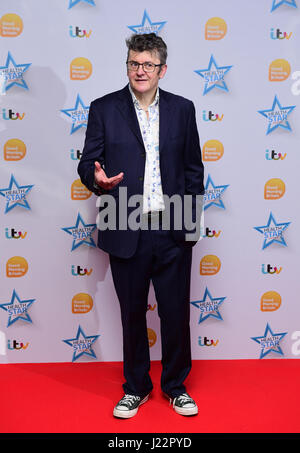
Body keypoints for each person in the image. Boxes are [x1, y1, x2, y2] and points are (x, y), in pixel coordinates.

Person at [78, 33, 204, 418]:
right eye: (134, 63)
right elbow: (88, 164)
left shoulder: (183, 109)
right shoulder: (104, 108)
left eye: (148, 64)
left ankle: (175, 386)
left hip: (172, 230)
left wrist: (188, 224)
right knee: (132, 313)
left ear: (162, 69)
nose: (140, 70)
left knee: (175, 312)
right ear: (127, 65)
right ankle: (135, 387)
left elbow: (193, 170)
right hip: (124, 224)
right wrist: (96, 181)